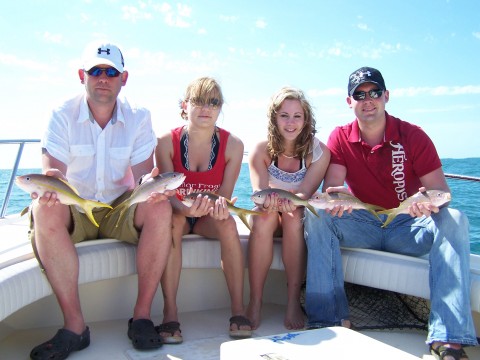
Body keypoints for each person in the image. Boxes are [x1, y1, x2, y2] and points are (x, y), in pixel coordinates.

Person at [304, 66, 477, 360]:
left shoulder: (413, 136)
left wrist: (427, 203)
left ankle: (447, 337)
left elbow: (442, 192)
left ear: (386, 96)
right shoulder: (341, 137)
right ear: (349, 102)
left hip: (407, 227)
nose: (367, 99)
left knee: (457, 219)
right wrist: (340, 196)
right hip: (365, 226)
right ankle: (329, 319)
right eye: (359, 94)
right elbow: (332, 188)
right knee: (316, 214)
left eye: (374, 93)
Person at [28, 41, 175, 359]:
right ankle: (75, 326)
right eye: (95, 71)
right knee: (44, 209)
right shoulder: (61, 114)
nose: (103, 77)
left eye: (111, 72)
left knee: (160, 207)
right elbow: (52, 170)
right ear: (82, 75)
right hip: (75, 205)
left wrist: (152, 184)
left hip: (119, 206)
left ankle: (142, 316)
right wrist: (52, 180)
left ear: (124, 78)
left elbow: (141, 178)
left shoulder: (139, 116)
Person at [155, 76, 252, 341]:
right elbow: (166, 193)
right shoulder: (165, 142)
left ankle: (238, 310)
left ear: (221, 108)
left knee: (229, 224)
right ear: (184, 105)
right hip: (179, 213)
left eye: (214, 102)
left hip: (209, 216)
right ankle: (170, 313)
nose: (206, 108)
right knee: (171, 223)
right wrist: (185, 211)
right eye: (198, 101)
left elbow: (225, 196)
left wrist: (217, 209)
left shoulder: (234, 145)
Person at [246, 87, 330, 330]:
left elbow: (304, 195)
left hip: (295, 212)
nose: (291, 123)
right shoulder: (261, 150)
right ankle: (255, 300)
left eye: (297, 116)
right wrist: (271, 203)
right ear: (274, 118)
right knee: (262, 218)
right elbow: (258, 193)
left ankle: (293, 300)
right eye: (284, 115)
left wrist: (290, 202)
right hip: (269, 215)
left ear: (306, 119)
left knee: (294, 217)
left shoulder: (319, 153)